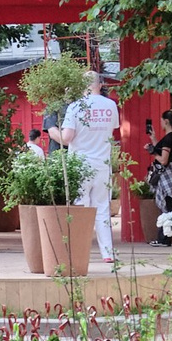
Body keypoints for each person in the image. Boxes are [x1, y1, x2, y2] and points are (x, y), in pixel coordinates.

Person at [52, 73, 121, 266]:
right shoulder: (110, 106)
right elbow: (112, 129)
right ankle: (107, 253)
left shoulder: (75, 107)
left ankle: (78, 250)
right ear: (100, 84)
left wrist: (53, 132)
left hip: (80, 163)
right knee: (102, 209)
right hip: (102, 163)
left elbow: (67, 138)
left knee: (80, 208)